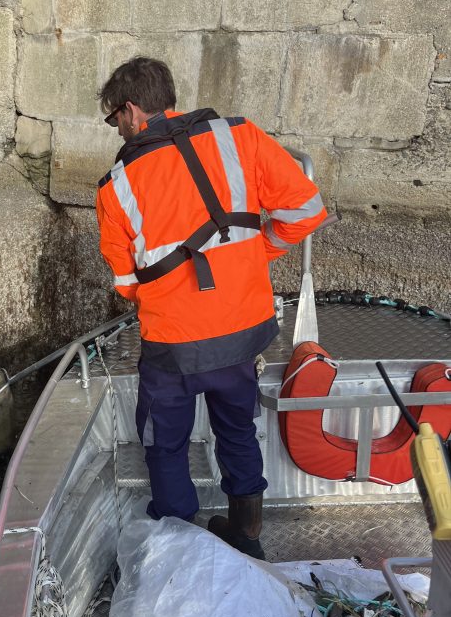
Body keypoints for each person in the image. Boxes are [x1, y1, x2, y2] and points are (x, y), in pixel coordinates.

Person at [95, 56, 327, 559]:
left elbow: (126, 284)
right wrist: (253, 254)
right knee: (238, 431)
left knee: (165, 445)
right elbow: (307, 211)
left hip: (172, 347)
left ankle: (179, 545)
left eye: (114, 119)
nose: (116, 129)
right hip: (244, 331)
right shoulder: (240, 136)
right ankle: (247, 535)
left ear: (132, 111)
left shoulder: (115, 187)